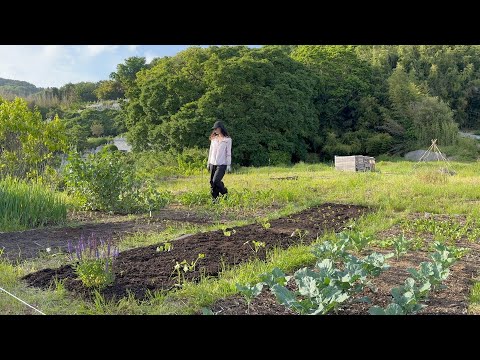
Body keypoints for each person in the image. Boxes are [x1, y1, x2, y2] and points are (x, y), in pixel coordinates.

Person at [207, 120, 232, 202]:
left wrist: (228, 165)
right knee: (212, 182)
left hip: (222, 164)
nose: (215, 130)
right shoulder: (213, 139)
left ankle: (224, 192)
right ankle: (215, 199)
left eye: (216, 129)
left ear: (221, 128)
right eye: (214, 129)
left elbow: (228, 153)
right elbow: (210, 151)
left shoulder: (227, 140)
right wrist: (208, 163)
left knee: (216, 180)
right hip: (212, 163)